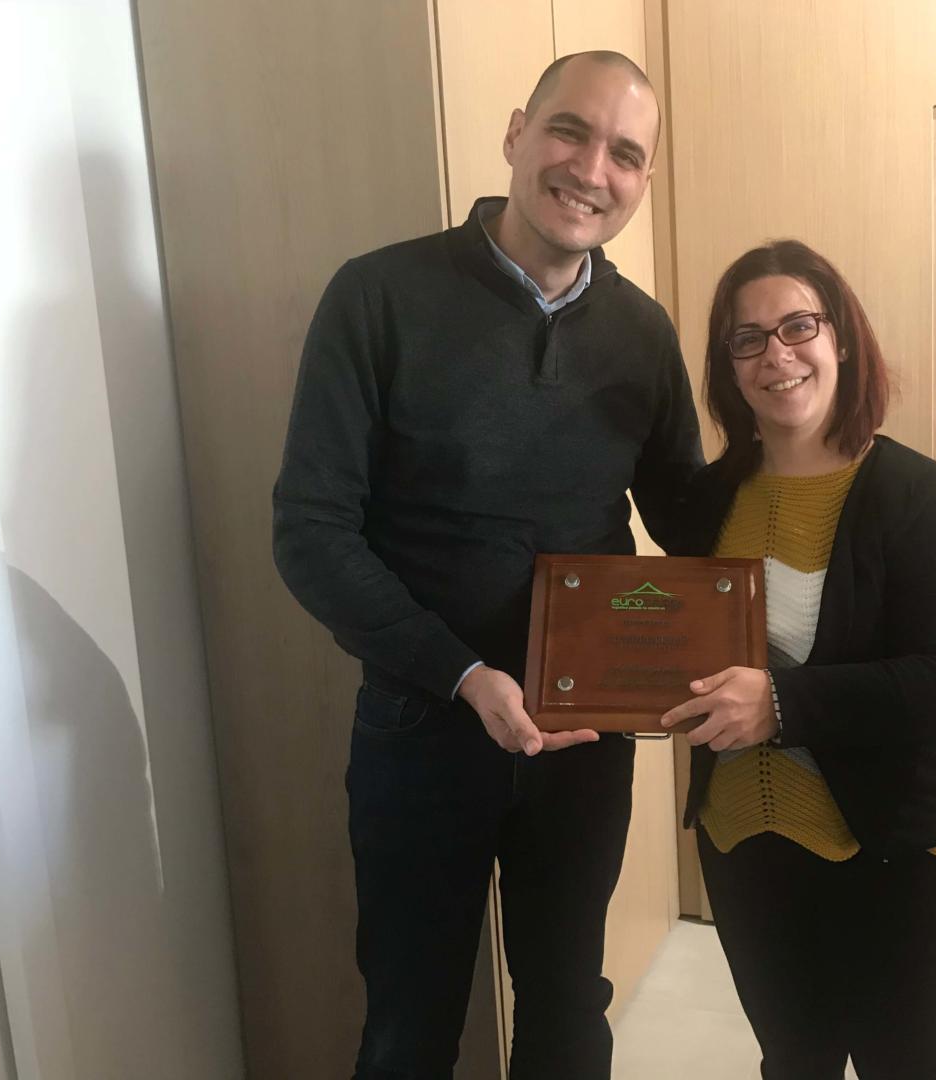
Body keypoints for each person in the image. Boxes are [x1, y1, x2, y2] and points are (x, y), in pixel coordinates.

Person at [272, 51, 702, 1080]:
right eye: (569, 131)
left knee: (569, 1005)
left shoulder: (642, 333)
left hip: (584, 734)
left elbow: (690, 517)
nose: (591, 170)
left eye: (625, 154)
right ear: (516, 133)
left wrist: (811, 443)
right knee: (411, 1022)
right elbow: (311, 531)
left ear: (643, 180)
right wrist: (463, 674)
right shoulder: (380, 295)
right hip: (421, 724)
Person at [661, 240, 936, 1079]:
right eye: (747, 338)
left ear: (840, 336)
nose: (777, 355)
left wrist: (782, 704)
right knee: (793, 1063)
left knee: (902, 1067)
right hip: (741, 841)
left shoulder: (916, 496)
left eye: (798, 326)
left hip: (890, 848)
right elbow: (674, 638)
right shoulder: (707, 499)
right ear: (728, 366)